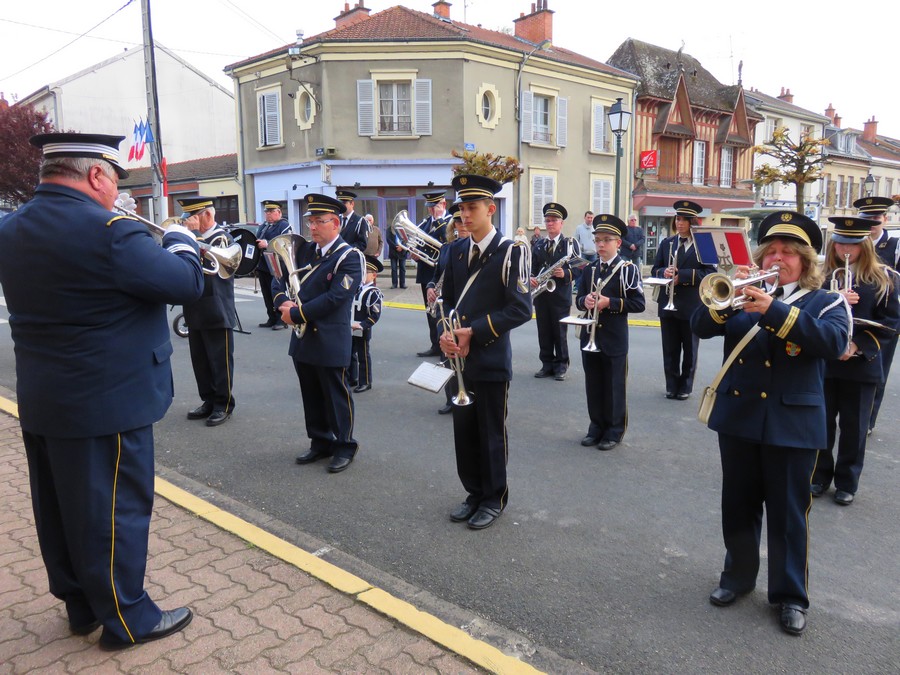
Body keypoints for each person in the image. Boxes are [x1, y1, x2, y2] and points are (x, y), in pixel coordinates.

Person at [0, 132, 203, 649]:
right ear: (95, 175)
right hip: (107, 400)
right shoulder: (113, 232)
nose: (116, 192)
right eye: (115, 180)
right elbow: (186, 284)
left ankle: (81, 607)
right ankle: (128, 618)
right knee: (115, 513)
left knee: (59, 509)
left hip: (44, 396)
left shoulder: (11, 226)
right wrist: (180, 239)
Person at [691, 211, 850, 637]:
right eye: (771, 252)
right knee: (738, 506)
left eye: (789, 253)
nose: (778, 258)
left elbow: (834, 342)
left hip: (792, 424)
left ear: (805, 261)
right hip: (740, 418)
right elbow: (699, 325)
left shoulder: (826, 301)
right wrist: (729, 294)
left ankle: (790, 595)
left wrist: (774, 309)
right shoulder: (743, 295)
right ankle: (737, 578)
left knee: (788, 514)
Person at [438, 174, 532, 530]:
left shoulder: (511, 252)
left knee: (490, 433)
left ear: (491, 209)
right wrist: (445, 334)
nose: (464, 214)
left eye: (472, 207)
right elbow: (447, 302)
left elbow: (521, 309)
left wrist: (473, 332)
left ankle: (493, 498)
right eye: (461, 208)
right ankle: (473, 492)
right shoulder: (456, 250)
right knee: (464, 432)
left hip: (490, 358)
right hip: (459, 360)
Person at [812, 216, 900, 505]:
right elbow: (807, 314)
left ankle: (847, 482)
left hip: (861, 364)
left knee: (855, 428)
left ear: (865, 246)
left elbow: (891, 322)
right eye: (840, 244)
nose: (845, 250)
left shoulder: (885, 278)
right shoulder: (821, 277)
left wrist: (856, 345)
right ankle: (819, 476)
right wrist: (831, 298)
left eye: (852, 245)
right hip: (826, 362)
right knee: (821, 423)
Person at [275, 193, 364, 473]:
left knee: (336, 396)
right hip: (303, 338)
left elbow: (335, 298)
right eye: (310, 221)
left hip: (329, 338)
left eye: (319, 221)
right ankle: (320, 441)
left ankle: (344, 445)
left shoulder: (350, 257)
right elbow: (280, 279)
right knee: (311, 393)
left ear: (335, 223)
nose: (312, 227)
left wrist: (296, 314)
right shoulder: (304, 251)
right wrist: (282, 302)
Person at [574, 214, 645, 451]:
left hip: (614, 337)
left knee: (614, 387)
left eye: (606, 240)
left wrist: (609, 303)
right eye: (598, 240)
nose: (601, 244)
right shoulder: (589, 269)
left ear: (618, 243)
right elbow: (579, 299)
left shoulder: (628, 270)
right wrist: (586, 301)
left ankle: (614, 431)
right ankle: (596, 427)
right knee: (593, 385)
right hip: (590, 336)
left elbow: (639, 303)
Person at [179, 197, 238, 427]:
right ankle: (208, 400)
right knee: (200, 360)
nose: (188, 222)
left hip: (216, 308)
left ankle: (223, 404)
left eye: (192, 217)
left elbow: (212, 266)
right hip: (195, 305)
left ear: (208, 215)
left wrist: (194, 235)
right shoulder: (192, 236)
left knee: (219, 361)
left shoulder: (222, 238)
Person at [650, 200, 716, 399]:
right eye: (677, 219)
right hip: (667, 303)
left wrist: (683, 276)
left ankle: (685, 387)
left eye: (684, 220)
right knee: (669, 348)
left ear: (692, 222)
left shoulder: (704, 244)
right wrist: (664, 272)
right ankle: (671, 386)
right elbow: (655, 269)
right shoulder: (667, 243)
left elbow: (710, 273)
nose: (679, 223)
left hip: (691, 304)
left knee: (690, 349)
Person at [855, 196, 899, 434]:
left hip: (884, 318)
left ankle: (868, 419)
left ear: (885, 219)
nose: (871, 224)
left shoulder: (895, 247)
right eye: (866, 218)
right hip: (855, 314)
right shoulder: (854, 243)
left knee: (877, 368)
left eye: (875, 218)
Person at [531, 202, 579, 381]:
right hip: (542, 295)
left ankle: (561, 365)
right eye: (547, 220)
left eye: (554, 220)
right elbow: (533, 268)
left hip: (560, 295)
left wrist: (566, 273)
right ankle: (546, 364)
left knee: (559, 333)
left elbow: (580, 268)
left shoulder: (570, 244)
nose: (550, 223)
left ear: (561, 223)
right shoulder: (539, 244)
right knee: (543, 331)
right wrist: (531, 278)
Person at [429, 202, 467, 415]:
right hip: (445, 308)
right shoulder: (446, 248)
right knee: (446, 352)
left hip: (463, 307)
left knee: (463, 354)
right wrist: (430, 287)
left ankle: (466, 392)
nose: (462, 225)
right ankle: (451, 397)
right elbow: (436, 275)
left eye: (464, 221)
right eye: (458, 221)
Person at [414, 190, 451, 357]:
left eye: (434, 206)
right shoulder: (425, 223)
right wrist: (414, 252)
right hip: (426, 272)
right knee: (430, 311)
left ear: (443, 204)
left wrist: (440, 220)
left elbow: (448, 241)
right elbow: (417, 242)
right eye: (429, 206)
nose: (431, 210)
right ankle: (435, 344)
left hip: (442, 275)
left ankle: (444, 344)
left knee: (442, 310)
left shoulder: (450, 221)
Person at [350, 255, 384, 393]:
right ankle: (352, 377)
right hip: (350, 327)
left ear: (374, 275)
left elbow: (375, 314)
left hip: (362, 329)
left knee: (363, 355)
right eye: (361, 271)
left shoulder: (374, 293)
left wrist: (362, 325)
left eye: (366, 272)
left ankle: (366, 381)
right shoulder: (355, 288)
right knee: (350, 353)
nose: (362, 275)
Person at [255, 201, 291, 329]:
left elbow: (285, 242)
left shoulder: (284, 225)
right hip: (263, 264)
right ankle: (271, 317)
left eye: (271, 212)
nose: (268, 214)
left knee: (277, 292)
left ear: (279, 212)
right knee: (266, 293)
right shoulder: (264, 226)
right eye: (267, 212)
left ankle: (281, 319)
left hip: (277, 265)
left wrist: (267, 243)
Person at [388, 215, 409, 289]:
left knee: (402, 268)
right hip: (393, 252)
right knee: (394, 269)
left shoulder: (405, 229)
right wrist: (396, 247)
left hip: (402, 252)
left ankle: (402, 284)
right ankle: (394, 284)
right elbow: (388, 239)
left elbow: (407, 239)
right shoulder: (389, 229)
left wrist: (402, 247)